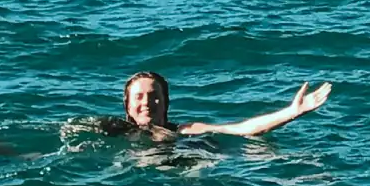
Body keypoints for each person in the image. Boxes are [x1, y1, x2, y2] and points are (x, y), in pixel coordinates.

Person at [109, 70, 332, 140]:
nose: (146, 102)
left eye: (154, 96)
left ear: (166, 102)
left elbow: (242, 129)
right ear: (127, 105)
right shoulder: (113, 130)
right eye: (138, 97)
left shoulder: (184, 131)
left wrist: (292, 112)